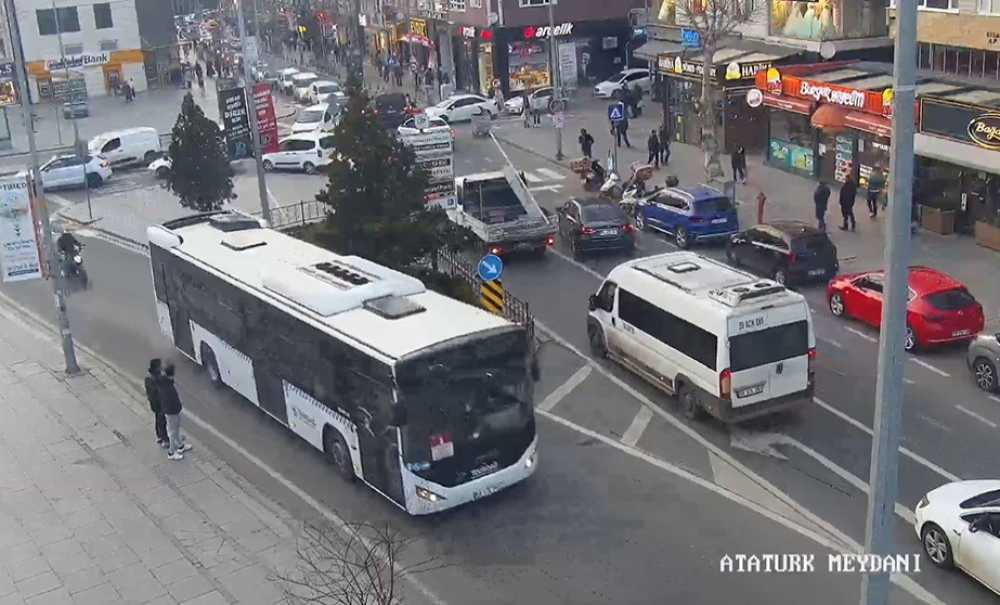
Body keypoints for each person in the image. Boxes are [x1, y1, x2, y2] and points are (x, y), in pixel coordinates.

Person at [157, 363, 192, 461]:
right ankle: (171, 452)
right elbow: (170, 400)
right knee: (172, 432)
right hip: (171, 411)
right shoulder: (167, 386)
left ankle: (180, 446)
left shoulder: (165, 383)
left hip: (172, 410)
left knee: (176, 429)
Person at [144, 359, 168, 448]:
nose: (161, 367)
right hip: (158, 404)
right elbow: (156, 392)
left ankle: (160, 436)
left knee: (158, 419)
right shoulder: (151, 378)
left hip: (157, 403)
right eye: (160, 366)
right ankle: (165, 439)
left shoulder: (152, 376)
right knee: (162, 421)